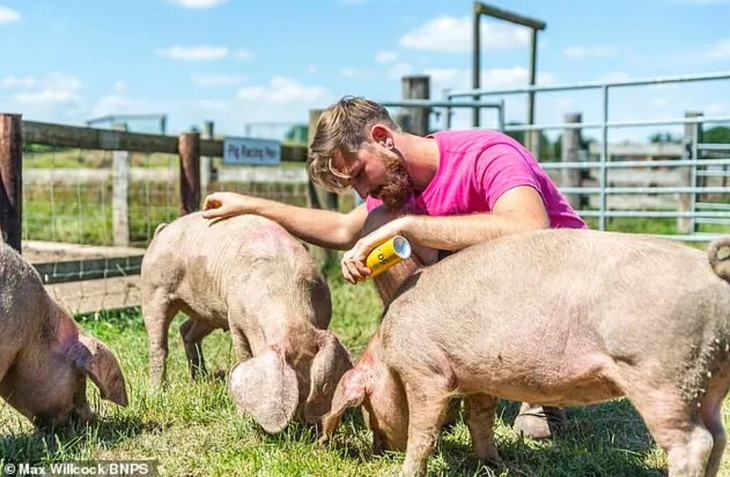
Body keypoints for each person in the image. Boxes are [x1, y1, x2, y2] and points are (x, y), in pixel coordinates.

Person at [202, 96, 589, 439]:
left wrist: (409, 226)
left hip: (561, 291)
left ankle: (540, 396)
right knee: (377, 231)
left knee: (388, 228)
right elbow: (339, 228)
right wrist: (251, 205)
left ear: (383, 137)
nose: (361, 192)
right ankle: (443, 383)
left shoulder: (486, 153)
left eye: (357, 174)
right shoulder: (395, 189)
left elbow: (528, 227)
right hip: (491, 297)